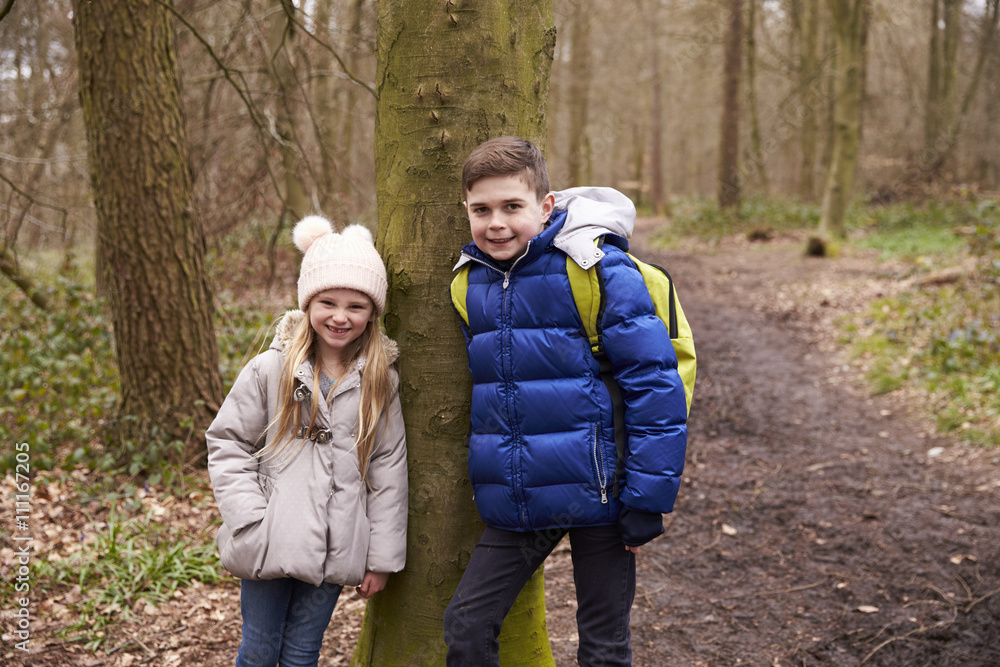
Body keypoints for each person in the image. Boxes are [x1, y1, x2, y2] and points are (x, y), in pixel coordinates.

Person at [444, 136, 688, 666]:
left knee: (602, 646)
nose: (496, 224)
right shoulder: (471, 282)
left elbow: (655, 386)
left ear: (546, 205)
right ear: (465, 210)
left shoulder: (598, 270)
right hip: (521, 495)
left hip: (605, 494)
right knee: (466, 625)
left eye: (513, 206)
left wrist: (648, 498)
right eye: (481, 210)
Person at [206, 216, 407, 667]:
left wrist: (381, 558)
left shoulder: (380, 381)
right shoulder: (270, 369)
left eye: (356, 306)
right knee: (259, 651)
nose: (340, 316)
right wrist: (252, 518)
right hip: (269, 539)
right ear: (308, 302)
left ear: (373, 312)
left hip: (337, 546)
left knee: (301, 654)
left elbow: (389, 469)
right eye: (328, 302)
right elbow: (227, 442)